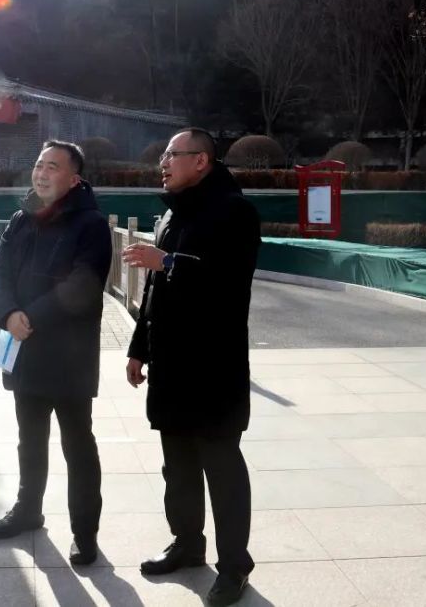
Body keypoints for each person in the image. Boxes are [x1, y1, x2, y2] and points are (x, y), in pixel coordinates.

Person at [123, 127, 260, 607]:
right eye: (163, 154)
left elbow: (228, 282)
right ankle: (187, 543)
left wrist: (168, 262)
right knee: (177, 465)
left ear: (201, 160)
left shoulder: (235, 211)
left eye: (172, 154)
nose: (163, 162)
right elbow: (155, 290)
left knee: (222, 469)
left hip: (213, 367)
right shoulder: (171, 213)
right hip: (171, 364)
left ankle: (234, 565)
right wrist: (139, 347)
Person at [0, 139, 112, 566]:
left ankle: (85, 532)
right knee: (30, 439)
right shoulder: (22, 218)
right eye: (39, 164)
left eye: (52, 167)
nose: (41, 173)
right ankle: (28, 511)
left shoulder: (91, 224)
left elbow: (82, 285)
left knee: (78, 445)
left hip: (68, 357)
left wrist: (30, 317)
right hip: (23, 350)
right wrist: (7, 313)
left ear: (74, 179)